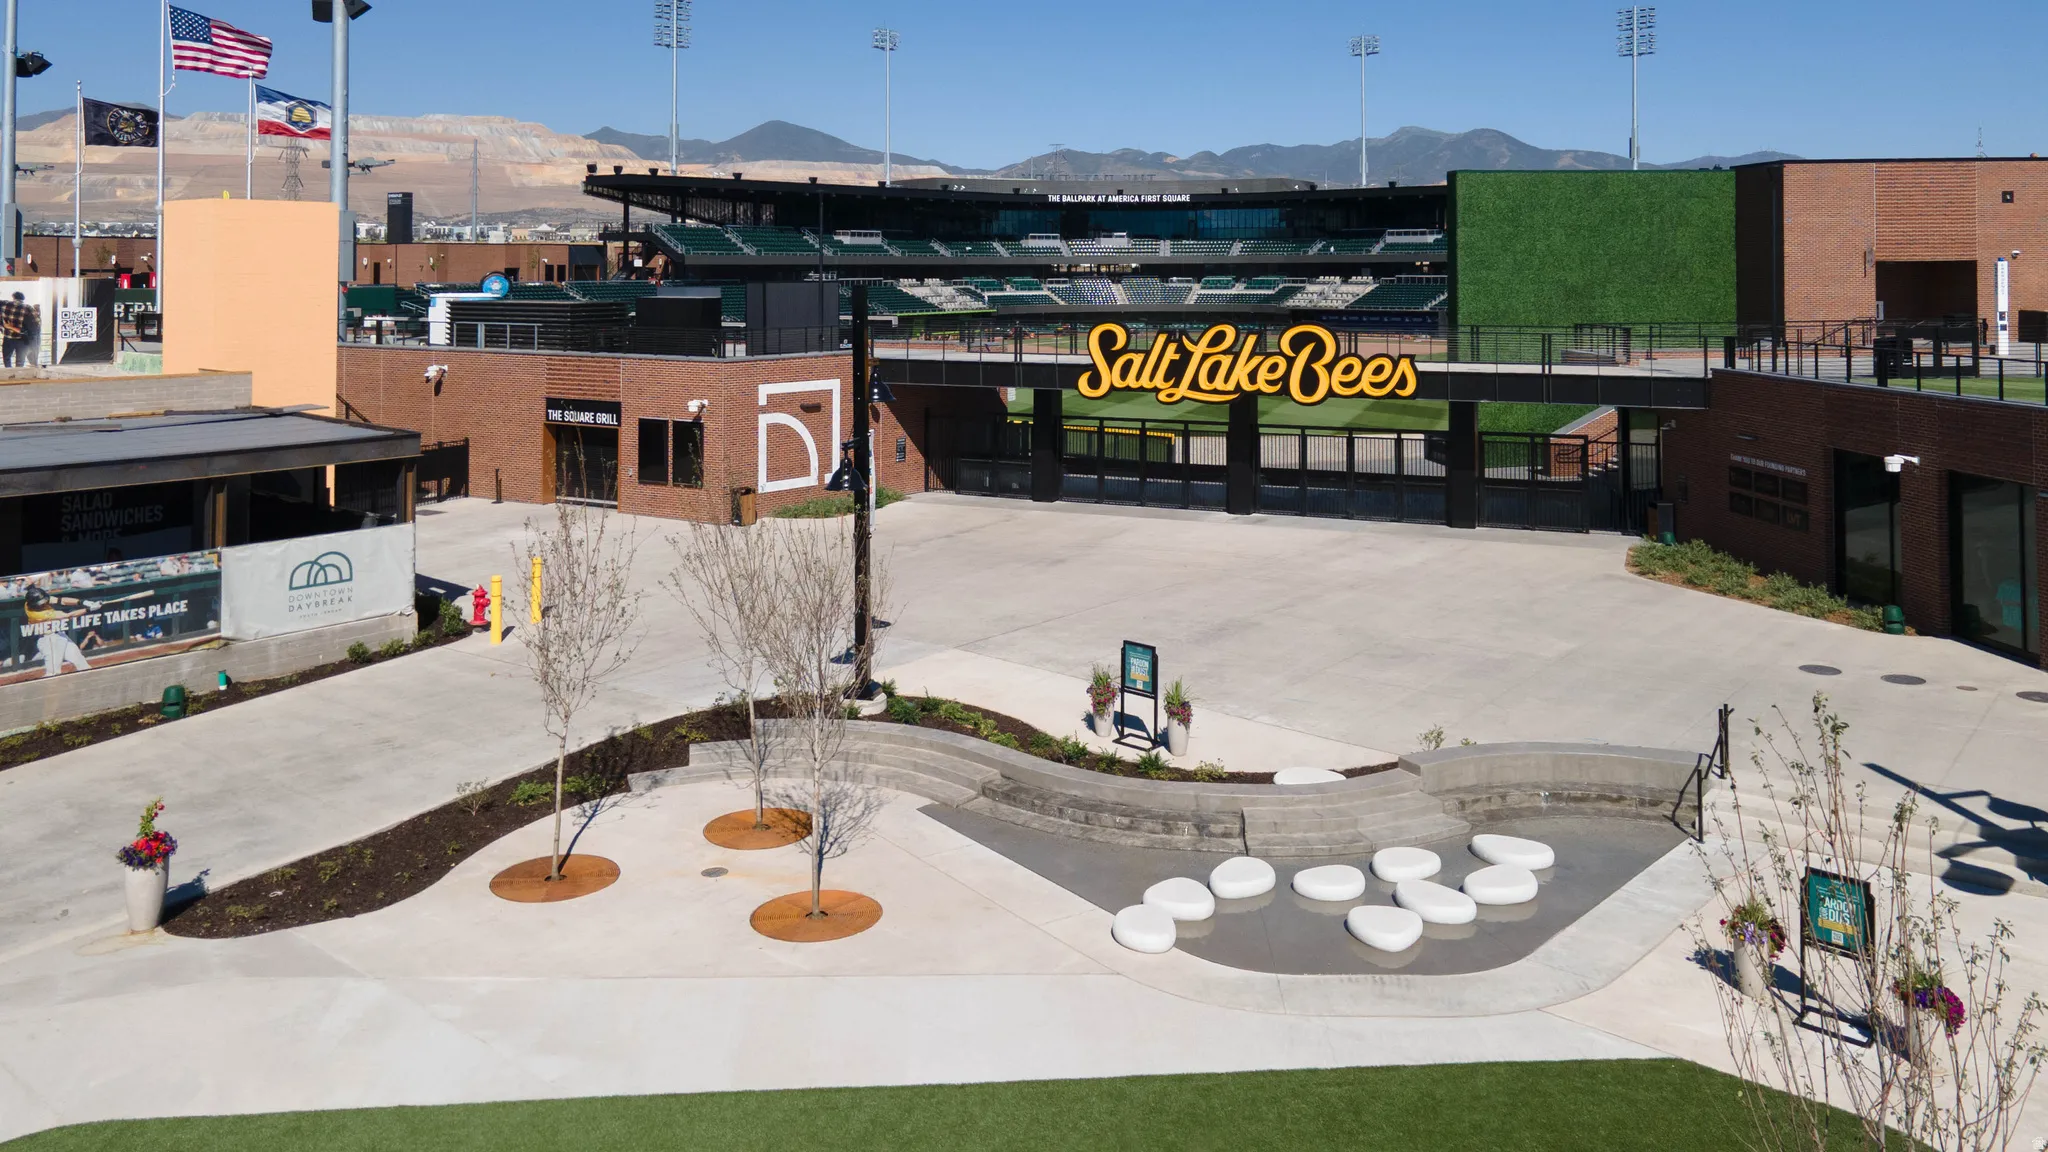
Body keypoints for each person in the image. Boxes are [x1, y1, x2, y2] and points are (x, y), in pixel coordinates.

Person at [0, 291, 29, 367]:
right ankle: (18, 376)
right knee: (20, 361)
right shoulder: (27, 308)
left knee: (7, 358)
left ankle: (9, 375)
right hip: (22, 339)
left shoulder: (6, 305)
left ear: (13, 297)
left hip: (8, 337)